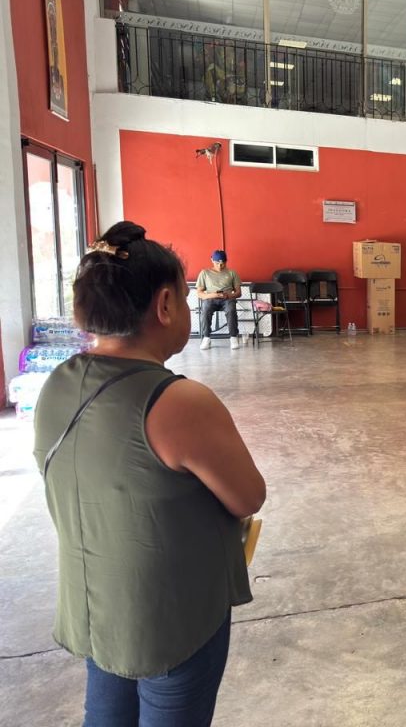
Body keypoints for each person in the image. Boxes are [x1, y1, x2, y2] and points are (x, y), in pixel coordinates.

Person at [32, 222, 266, 726]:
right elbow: (248, 496)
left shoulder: (56, 385)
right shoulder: (178, 402)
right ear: (164, 305)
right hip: (169, 619)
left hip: (95, 608)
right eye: (184, 297)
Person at [196, 249, 242, 350]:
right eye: (217, 263)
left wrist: (229, 295)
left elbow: (239, 293)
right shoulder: (205, 273)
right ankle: (206, 337)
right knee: (205, 309)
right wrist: (212, 295)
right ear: (212, 260)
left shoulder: (232, 273)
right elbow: (199, 293)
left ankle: (233, 337)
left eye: (223, 263)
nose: (220, 266)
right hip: (210, 299)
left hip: (227, 299)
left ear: (226, 261)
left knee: (231, 310)